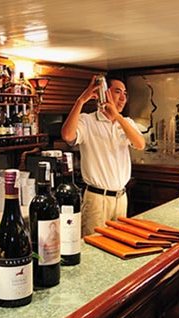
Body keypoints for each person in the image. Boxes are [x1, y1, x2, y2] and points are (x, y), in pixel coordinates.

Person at [61, 76, 146, 236]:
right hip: (97, 199)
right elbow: (67, 135)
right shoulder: (88, 120)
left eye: (125, 94)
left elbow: (140, 144)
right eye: (117, 92)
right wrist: (81, 101)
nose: (123, 98)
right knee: (94, 249)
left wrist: (118, 117)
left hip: (121, 198)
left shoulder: (126, 122)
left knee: (119, 245)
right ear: (104, 93)